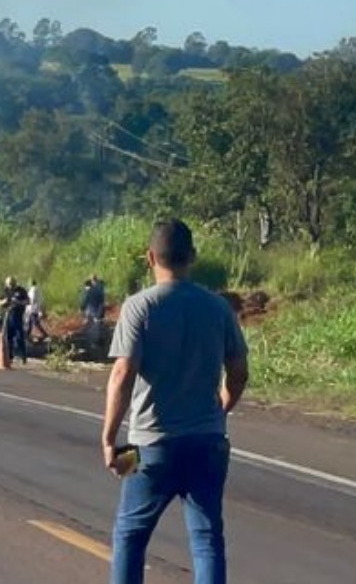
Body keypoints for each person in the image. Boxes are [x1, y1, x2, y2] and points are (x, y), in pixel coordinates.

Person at [101, 219, 249, 584]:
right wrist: (221, 408)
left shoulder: (139, 306)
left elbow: (123, 373)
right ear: (192, 256)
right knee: (207, 538)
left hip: (151, 444)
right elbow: (239, 372)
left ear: (150, 258)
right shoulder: (218, 308)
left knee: (130, 534)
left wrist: (108, 438)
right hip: (207, 441)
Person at [0, 277, 29, 365]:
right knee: (8, 338)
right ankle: (9, 357)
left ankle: (23, 356)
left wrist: (18, 302)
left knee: (19, 337)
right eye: (9, 285)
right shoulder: (5, 291)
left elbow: (27, 301)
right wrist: (4, 301)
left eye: (12, 284)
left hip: (17, 316)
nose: (11, 286)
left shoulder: (21, 291)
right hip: (7, 317)